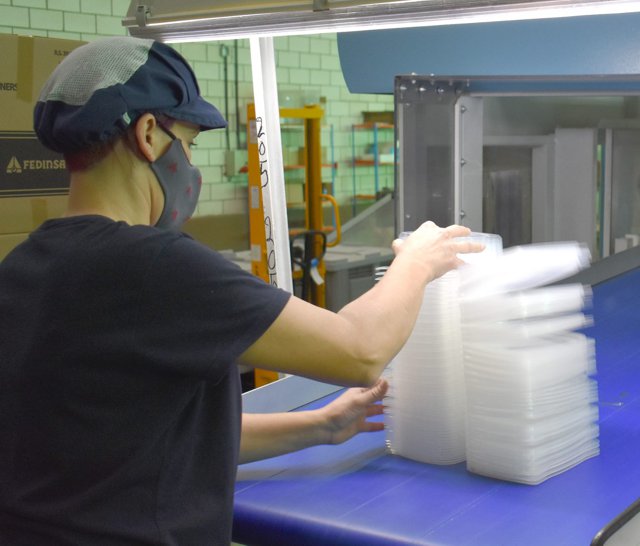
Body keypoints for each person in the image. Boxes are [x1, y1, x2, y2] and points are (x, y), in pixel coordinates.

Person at [0, 36, 483, 545]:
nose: (191, 166)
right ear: (147, 135)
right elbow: (360, 350)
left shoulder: (22, 268)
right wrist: (417, 261)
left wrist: (322, 426)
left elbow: (143, 442)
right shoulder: (152, 265)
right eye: (188, 144)